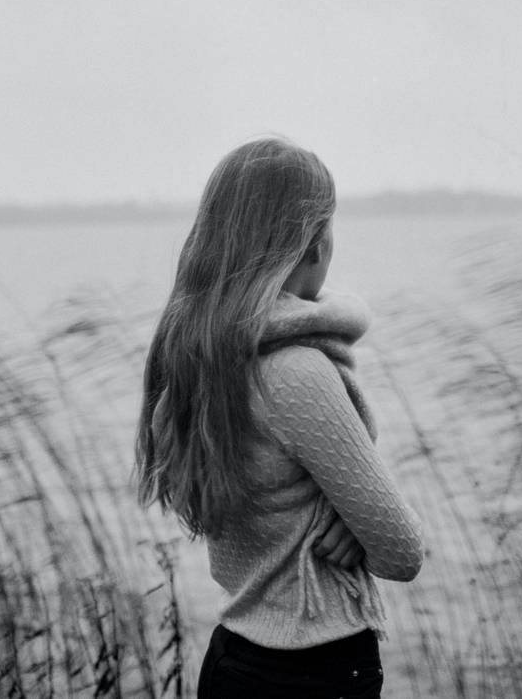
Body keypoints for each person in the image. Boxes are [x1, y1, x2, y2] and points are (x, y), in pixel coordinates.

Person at [135, 137, 424, 698]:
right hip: (314, 674)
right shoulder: (295, 372)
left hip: (232, 661)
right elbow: (403, 552)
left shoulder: (203, 357)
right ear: (314, 244)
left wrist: (347, 515)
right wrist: (359, 525)